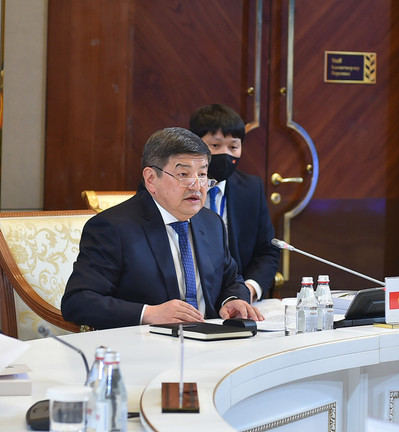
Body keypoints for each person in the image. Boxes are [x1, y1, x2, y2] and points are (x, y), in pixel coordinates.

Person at [61, 127, 264, 330]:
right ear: (151, 179)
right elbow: (78, 301)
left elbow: (232, 280)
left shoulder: (211, 223)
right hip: (144, 343)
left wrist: (232, 300)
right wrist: (148, 313)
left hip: (209, 340)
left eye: (202, 174)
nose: (197, 186)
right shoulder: (112, 228)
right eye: (183, 174)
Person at [189, 104, 279, 302]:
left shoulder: (251, 189)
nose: (225, 154)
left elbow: (267, 251)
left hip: (238, 297)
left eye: (233, 147)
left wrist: (249, 290)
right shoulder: (173, 187)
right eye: (215, 146)